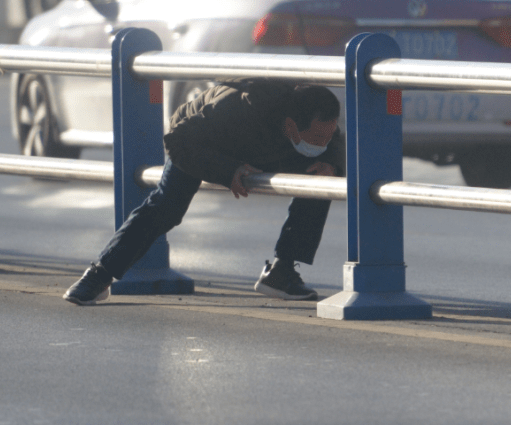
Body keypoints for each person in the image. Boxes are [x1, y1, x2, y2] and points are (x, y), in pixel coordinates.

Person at [63, 80, 343, 306]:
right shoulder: (237, 109)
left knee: (319, 183)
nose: (323, 143)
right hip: (202, 144)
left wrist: (331, 163)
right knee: (167, 207)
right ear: (292, 125)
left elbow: (335, 146)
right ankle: (99, 275)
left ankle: (282, 273)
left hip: (270, 145)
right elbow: (178, 141)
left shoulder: (317, 125)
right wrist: (228, 170)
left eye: (328, 136)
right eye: (318, 139)